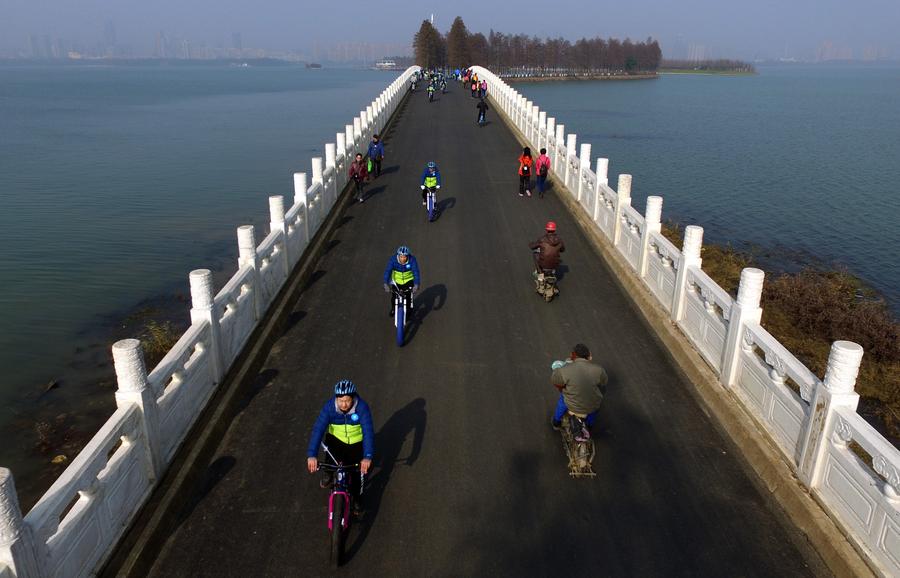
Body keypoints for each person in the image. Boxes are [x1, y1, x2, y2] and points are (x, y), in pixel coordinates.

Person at [307, 379, 375, 514]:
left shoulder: (362, 408)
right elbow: (318, 430)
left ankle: (356, 498)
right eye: (340, 400)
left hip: (356, 443)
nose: (344, 404)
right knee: (330, 459)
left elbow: (368, 433)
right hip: (336, 440)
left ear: (353, 398)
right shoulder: (329, 408)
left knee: (357, 475)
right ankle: (328, 473)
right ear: (336, 399)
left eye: (347, 400)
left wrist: (367, 456)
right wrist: (312, 455)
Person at [550, 344, 608, 440]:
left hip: (572, 405)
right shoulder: (599, 369)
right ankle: (589, 425)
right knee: (595, 408)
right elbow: (604, 382)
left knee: (562, 399)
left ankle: (556, 422)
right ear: (588, 356)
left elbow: (555, 380)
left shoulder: (564, 370)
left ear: (573, 355)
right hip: (592, 406)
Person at [383, 245, 420, 317]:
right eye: (401, 256)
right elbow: (388, 271)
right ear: (398, 255)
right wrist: (385, 283)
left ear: (407, 256)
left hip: (408, 281)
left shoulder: (412, 260)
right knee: (394, 297)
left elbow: (416, 272)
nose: (403, 259)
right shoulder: (393, 260)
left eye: (405, 257)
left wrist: (416, 284)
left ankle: (408, 310)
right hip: (396, 281)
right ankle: (393, 308)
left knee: (408, 296)